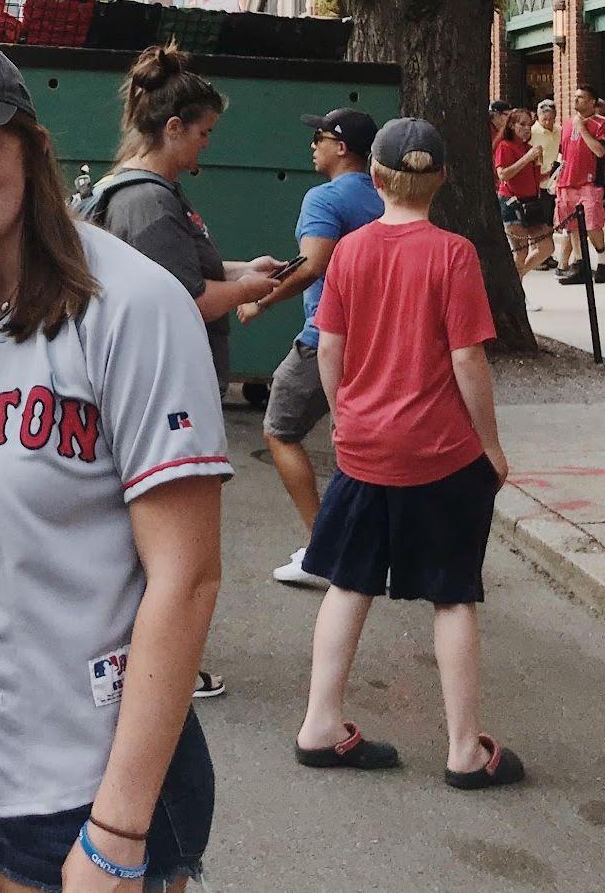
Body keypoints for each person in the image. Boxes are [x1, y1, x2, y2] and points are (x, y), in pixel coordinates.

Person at [0, 38, 229, 893]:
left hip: (89, 749)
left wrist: (117, 828)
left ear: (32, 149)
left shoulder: (132, 305)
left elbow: (185, 579)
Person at [294, 117, 523, 791]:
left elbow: (328, 347)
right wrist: (491, 446)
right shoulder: (452, 254)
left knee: (347, 582)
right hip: (441, 453)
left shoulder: (352, 251)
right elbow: (466, 358)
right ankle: (461, 748)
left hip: (364, 448)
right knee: (452, 596)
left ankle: (319, 724)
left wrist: (345, 421)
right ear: (443, 180)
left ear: (376, 178)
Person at [83, 44, 282, 702]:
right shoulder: (148, 200)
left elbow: (185, 278)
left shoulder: (142, 194)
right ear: (172, 128)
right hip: (157, 397)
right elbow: (183, 300)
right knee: (170, 554)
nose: (204, 145)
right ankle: (159, 667)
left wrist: (237, 273)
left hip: (148, 392)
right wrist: (244, 288)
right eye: (201, 132)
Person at [237, 107, 383, 588]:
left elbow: (314, 263)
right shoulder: (385, 197)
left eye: (319, 137)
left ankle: (326, 548)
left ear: (341, 148)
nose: (312, 145)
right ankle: (373, 548)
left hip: (327, 340)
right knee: (362, 445)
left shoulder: (323, 197)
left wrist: (260, 299)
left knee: (279, 430)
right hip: (378, 339)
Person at [554, 85, 605, 286]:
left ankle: (602, 260)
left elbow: (600, 152)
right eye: (575, 97)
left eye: (581, 97)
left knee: (593, 224)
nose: (576, 100)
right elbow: (563, 155)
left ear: (592, 102)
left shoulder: (601, 123)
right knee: (572, 226)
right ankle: (580, 265)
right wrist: (555, 179)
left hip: (589, 182)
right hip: (567, 181)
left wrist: (582, 128)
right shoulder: (566, 124)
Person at [493, 109, 551, 281]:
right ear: (511, 125)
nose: (527, 129)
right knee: (521, 252)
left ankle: (515, 282)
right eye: (522, 124)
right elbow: (503, 174)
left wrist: (551, 174)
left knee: (546, 247)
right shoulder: (505, 146)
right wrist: (527, 158)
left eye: (529, 125)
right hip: (512, 203)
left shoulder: (528, 148)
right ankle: (516, 290)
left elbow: (533, 179)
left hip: (531, 202)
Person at [531, 100, 561, 270]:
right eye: (545, 119)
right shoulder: (533, 132)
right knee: (538, 222)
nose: (548, 122)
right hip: (537, 182)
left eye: (551, 119)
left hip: (554, 181)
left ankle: (547, 254)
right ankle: (537, 254)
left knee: (549, 221)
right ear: (539, 117)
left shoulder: (559, 131)